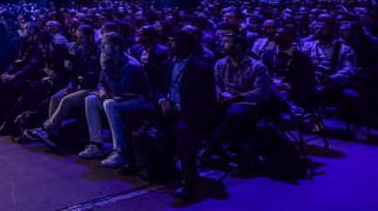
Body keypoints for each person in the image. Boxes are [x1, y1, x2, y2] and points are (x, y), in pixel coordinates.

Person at [152, 30, 215, 201]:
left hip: (189, 111)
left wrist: (177, 106)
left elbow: (206, 99)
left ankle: (189, 184)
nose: (168, 45)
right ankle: (151, 168)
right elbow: (158, 88)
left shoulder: (201, 68)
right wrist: (162, 101)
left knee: (183, 132)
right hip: (166, 105)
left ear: (186, 46)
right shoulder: (166, 64)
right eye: (169, 41)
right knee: (135, 116)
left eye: (173, 42)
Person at [202, 31, 277, 166]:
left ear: (237, 46)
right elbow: (216, 84)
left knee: (236, 111)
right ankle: (220, 147)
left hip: (250, 103)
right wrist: (219, 95)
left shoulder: (257, 66)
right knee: (204, 107)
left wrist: (237, 98)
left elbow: (262, 92)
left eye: (226, 42)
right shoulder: (220, 63)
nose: (221, 44)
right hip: (226, 99)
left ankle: (212, 147)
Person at [78, 32, 149, 169]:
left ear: (116, 47)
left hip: (138, 98)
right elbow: (100, 83)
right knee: (91, 100)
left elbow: (118, 90)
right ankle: (97, 145)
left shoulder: (130, 65)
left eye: (105, 43)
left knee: (109, 104)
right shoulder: (108, 58)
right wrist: (102, 91)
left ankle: (120, 153)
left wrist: (105, 69)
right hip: (119, 96)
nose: (101, 45)